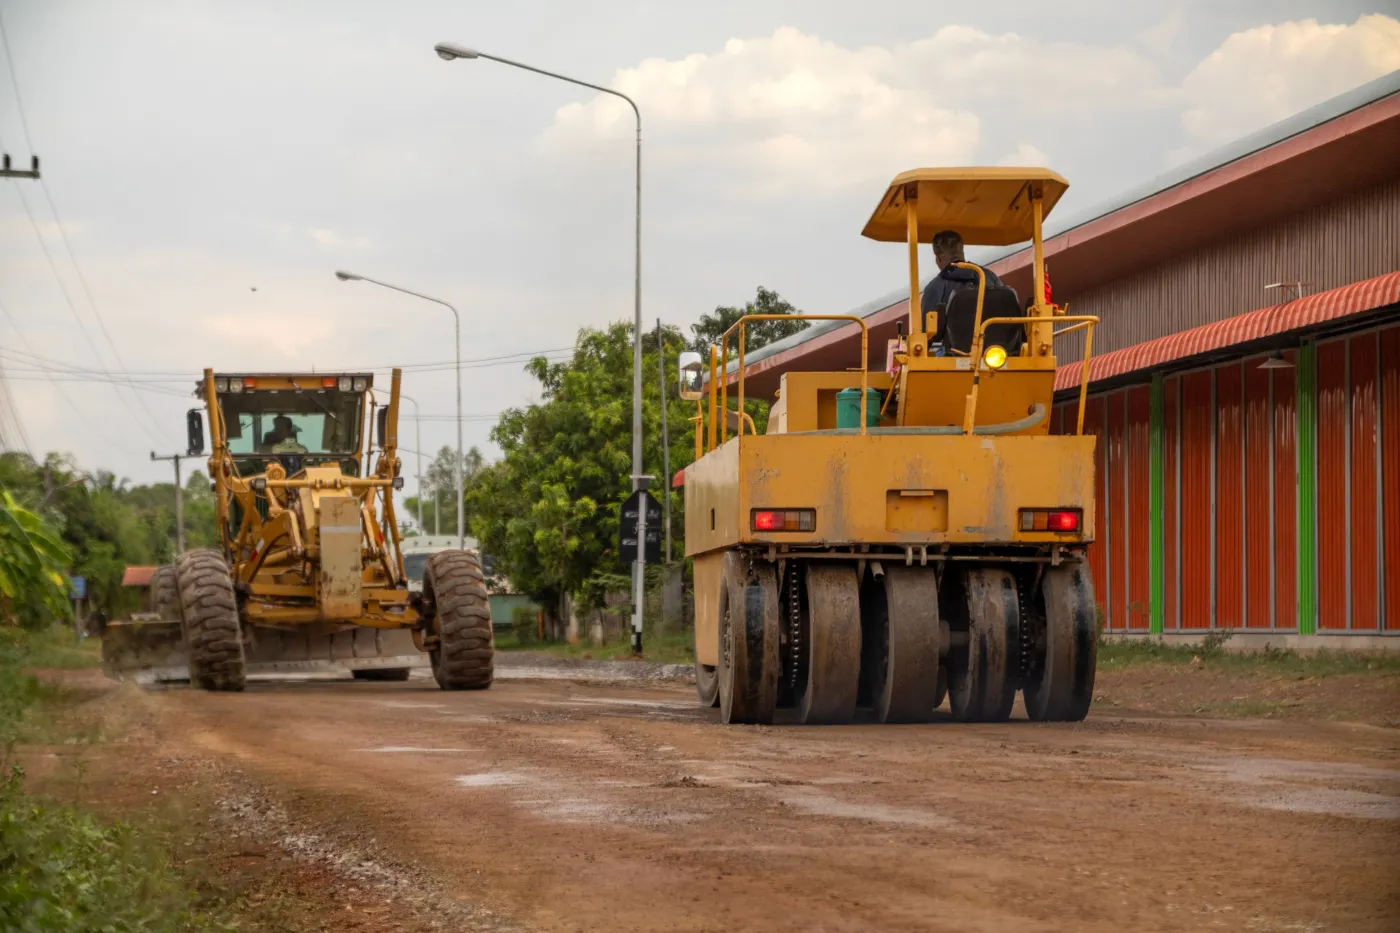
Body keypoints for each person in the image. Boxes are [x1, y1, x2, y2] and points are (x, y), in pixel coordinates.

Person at [921, 230, 1006, 352]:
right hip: (997, 352)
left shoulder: (933, 289)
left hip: (952, 358)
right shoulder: (990, 278)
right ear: (962, 253)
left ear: (938, 259)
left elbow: (926, 335)